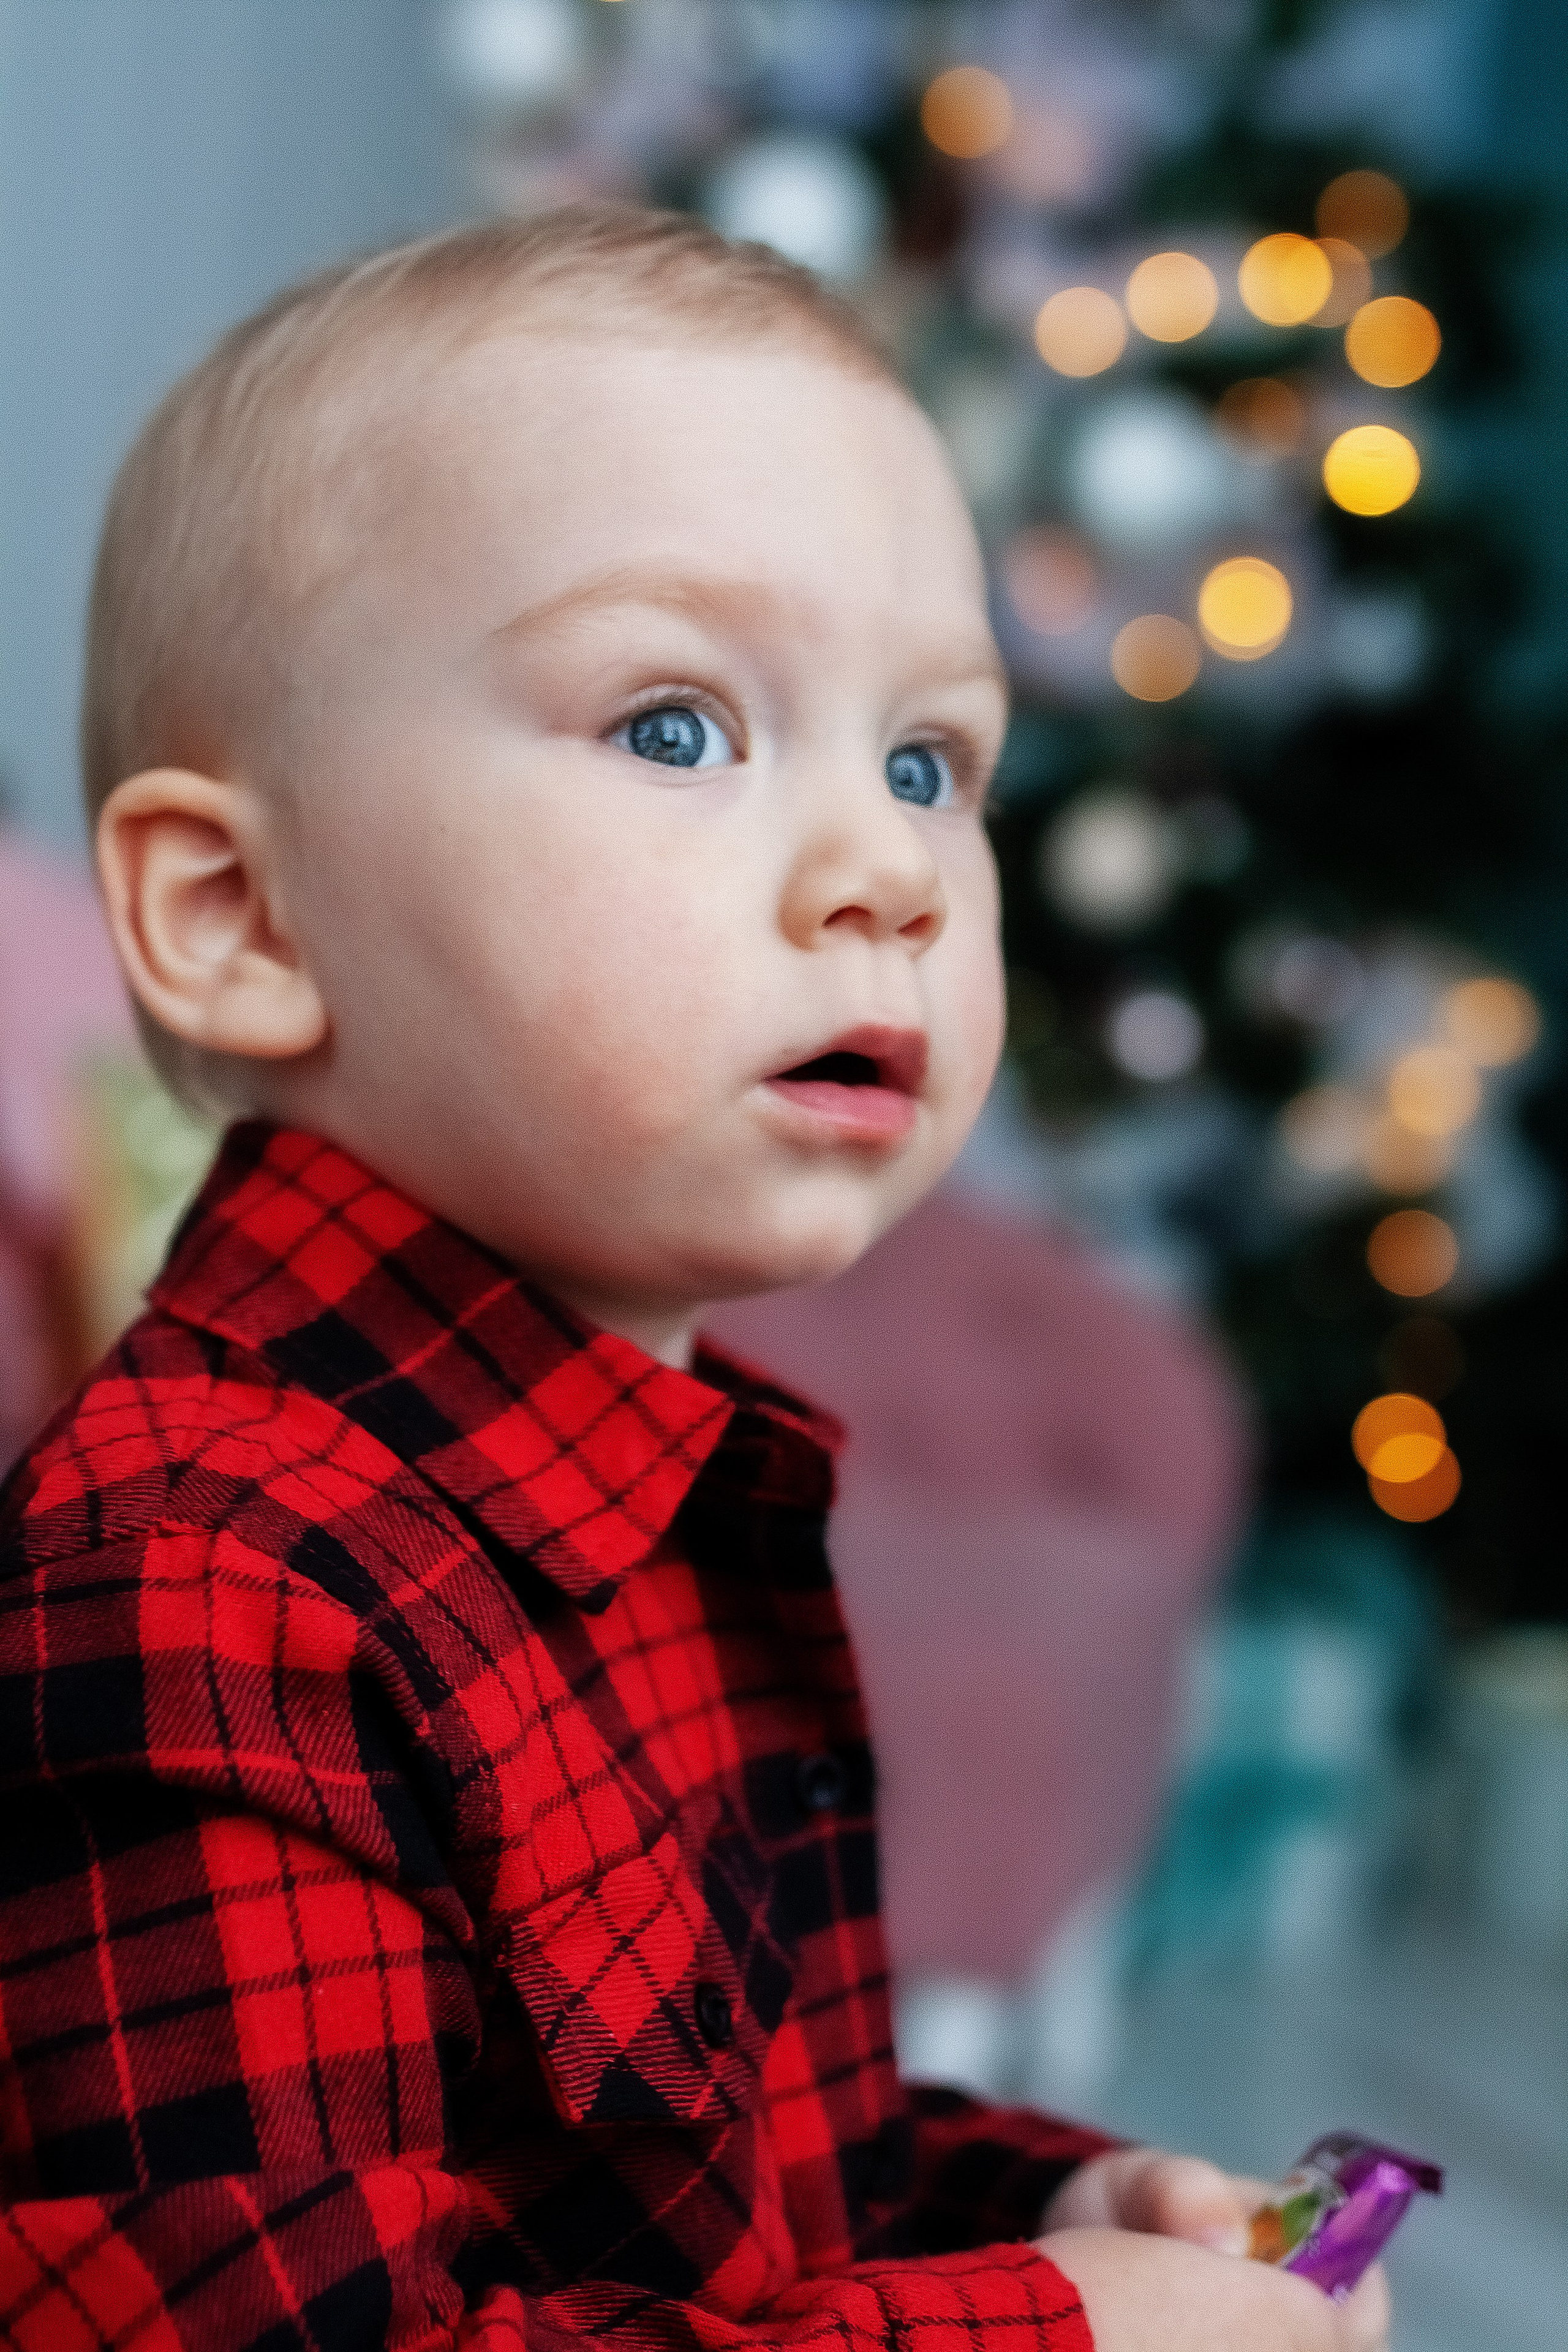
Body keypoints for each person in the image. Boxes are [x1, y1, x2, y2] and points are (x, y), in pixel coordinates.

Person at [0, 208, 1387, 2352]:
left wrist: (1046, 2208)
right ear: (237, 917)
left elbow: (713, 2189)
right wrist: (1051, 2340)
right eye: (676, 725)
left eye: (933, 762)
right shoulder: (205, 1588)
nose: (890, 873)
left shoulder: (672, 1501)